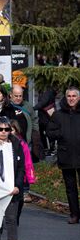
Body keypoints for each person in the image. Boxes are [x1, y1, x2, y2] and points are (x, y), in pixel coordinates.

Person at [0, 117, 25, 240]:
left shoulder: (17, 144)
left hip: (12, 191)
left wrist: (17, 185)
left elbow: (21, 167)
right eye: (0, 129)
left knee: (11, 220)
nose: (4, 132)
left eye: (7, 129)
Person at [47, 87, 80, 224]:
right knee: (70, 188)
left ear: (78, 98)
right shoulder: (58, 115)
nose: (71, 98)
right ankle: (74, 214)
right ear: (66, 98)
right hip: (66, 155)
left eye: (74, 96)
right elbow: (49, 132)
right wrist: (61, 134)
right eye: (69, 96)